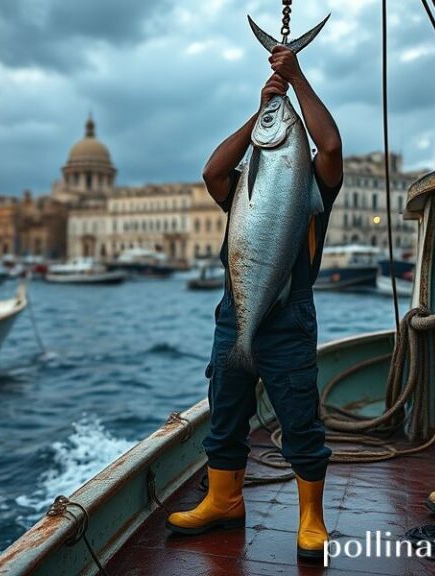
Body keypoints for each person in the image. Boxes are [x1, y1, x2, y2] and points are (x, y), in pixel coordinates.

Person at [165, 45, 343, 561]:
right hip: (234, 314)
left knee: (300, 422)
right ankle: (224, 500)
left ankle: (312, 519)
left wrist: (298, 79)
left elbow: (329, 146)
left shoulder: (314, 188)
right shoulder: (246, 184)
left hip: (289, 319)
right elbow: (211, 171)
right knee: (225, 413)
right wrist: (264, 107)